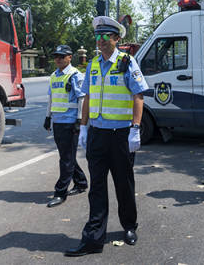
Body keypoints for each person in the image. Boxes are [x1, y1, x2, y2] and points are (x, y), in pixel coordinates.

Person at [65, 16, 148, 257]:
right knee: (97, 187)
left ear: (116, 38)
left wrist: (135, 128)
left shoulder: (126, 62)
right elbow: (88, 97)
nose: (100, 41)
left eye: (105, 37)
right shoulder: (92, 64)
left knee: (124, 183)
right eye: (97, 37)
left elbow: (138, 96)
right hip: (97, 134)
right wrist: (83, 127)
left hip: (121, 135)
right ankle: (93, 239)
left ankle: (129, 226)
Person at [44, 44, 88, 208]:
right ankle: (81, 182)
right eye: (56, 56)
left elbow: (82, 98)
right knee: (66, 156)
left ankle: (60, 192)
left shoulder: (75, 75)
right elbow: (51, 98)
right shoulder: (54, 76)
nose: (58, 59)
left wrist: (79, 121)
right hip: (58, 121)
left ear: (70, 57)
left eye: (61, 56)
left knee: (66, 159)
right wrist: (48, 117)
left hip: (70, 122)